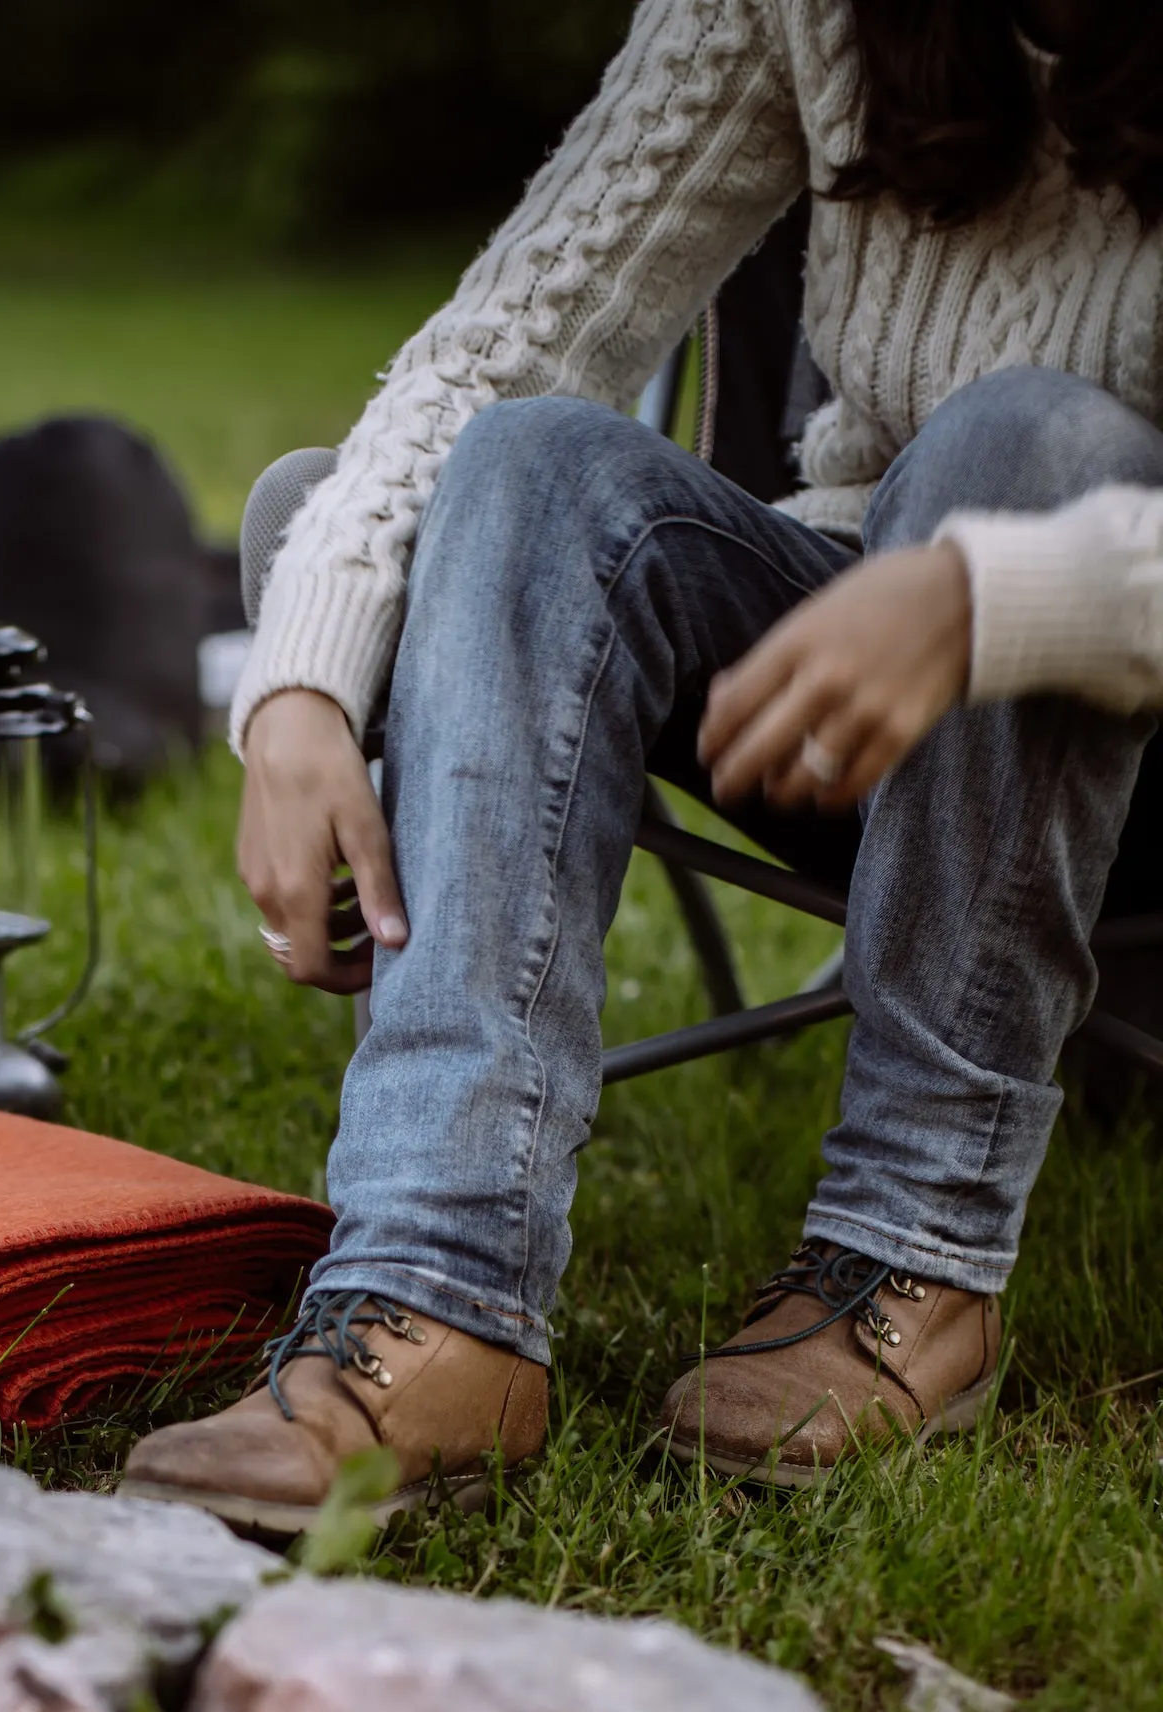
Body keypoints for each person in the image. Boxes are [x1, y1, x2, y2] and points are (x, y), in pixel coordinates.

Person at [121, 0, 1163, 1530]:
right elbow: (509, 337)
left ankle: (912, 1252)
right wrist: (299, 682)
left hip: (1120, 725)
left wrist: (985, 595)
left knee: (1026, 441)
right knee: (529, 459)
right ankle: (438, 1294)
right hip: (839, 694)